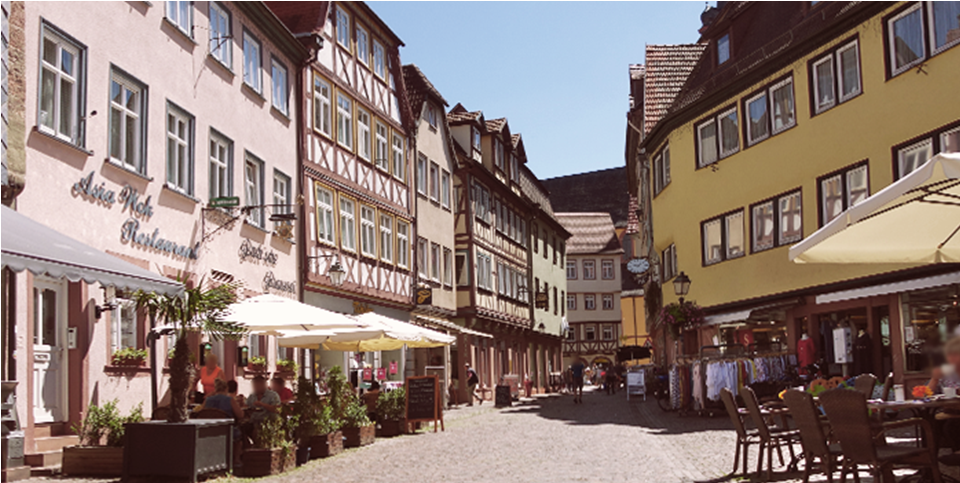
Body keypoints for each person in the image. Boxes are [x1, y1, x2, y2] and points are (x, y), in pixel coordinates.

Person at [929, 337, 960, 450]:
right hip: (949, 410)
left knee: (952, 425)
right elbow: (926, 394)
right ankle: (930, 457)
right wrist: (934, 379)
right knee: (929, 422)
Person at [203, 379, 244, 467]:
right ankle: (236, 459)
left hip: (210, 429)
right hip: (227, 430)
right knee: (238, 434)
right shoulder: (230, 400)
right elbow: (240, 415)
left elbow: (201, 412)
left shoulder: (208, 400)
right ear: (226, 389)